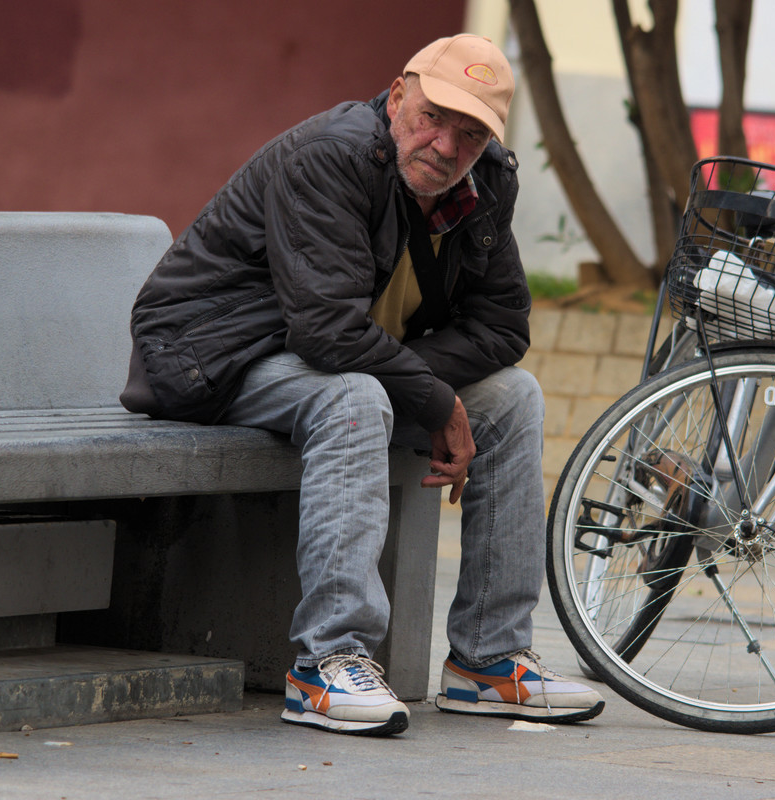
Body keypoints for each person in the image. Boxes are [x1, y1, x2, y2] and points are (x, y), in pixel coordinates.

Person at [120, 33, 604, 736]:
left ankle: (489, 662)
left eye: (470, 133)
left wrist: (422, 388)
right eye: (433, 117)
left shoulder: (487, 180)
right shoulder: (330, 156)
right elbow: (323, 330)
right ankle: (328, 662)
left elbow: (503, 326)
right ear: (398, 95)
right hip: (211, 353)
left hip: (334, 357)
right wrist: (431, 397)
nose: (445, 145)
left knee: (512, 397)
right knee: (354, 394)